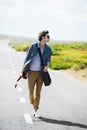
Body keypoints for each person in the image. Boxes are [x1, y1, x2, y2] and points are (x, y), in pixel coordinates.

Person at [22, 30, 52, 118]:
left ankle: (35, 110)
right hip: (31, 72)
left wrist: (47, 66)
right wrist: (23, 70)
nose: (49, 38)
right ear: (43, 37)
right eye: (47, 36)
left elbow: (48, 59)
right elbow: (26, 58)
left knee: (38, 93)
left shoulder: (48, 49)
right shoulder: (33, 46)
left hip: (41, 74)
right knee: (31, 92)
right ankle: (33, 104)